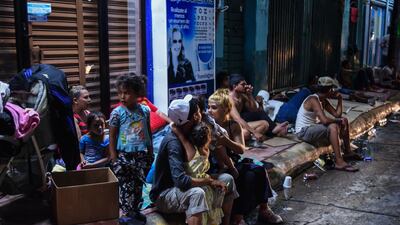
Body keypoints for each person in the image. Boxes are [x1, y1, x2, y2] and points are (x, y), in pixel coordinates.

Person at [150, 95, 239, 225]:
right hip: (165, 194)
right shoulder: (173, 143)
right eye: (198, 111)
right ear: (194, 117)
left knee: (227, 180)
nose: (201, 114)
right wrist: (209, 181)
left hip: (186, 184)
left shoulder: (192, 132)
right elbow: (181, 181)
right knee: (197, 194)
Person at [208, 89, 283, 225]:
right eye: (208, 107)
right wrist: (229, 165)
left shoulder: (233, 126)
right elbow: (219, 158)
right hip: (216, 166)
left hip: (234, 162)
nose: (209, 111)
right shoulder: (209, 128)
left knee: (258, 170)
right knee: (244, 177)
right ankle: (238, 217)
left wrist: (226, 141)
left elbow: (241, 149)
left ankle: (264, 210)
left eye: (214, 107)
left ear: (225, 109)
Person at [109, 74, 153, 221]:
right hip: (123, 156)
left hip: (141, 155)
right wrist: (114, 158)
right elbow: (112, 137)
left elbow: (148, 132)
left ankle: (135, 211)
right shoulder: (117, 113)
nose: (122, 96)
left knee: (138, 185)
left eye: (126, 93)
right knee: (125, 187)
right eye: (120, 92)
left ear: (137, 93)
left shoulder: (145, 111)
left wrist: (151, 152)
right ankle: (126, 215)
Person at [295, 76, 362, 172]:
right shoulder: (313, 99)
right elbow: (324, 121)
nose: (334, 91)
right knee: (333, 126)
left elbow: (337, 114)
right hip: (303, 132)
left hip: (312, 128)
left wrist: (340, 99)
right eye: (333, 89)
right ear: (330, 90)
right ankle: (339, 162)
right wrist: (338, 121)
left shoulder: (323, 100)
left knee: (344, 120)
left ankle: (347, 152)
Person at [182, 122, 225, 225]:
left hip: (203, 183)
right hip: (195, 184)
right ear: (209, 137)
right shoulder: (192, 151)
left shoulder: (192, 149)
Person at [228, 74, 288, 141]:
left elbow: (253, 110)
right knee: (246, 133)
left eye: (245, 84)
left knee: (265, 124)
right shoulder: (229, 99)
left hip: (240, 121)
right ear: (235, 86)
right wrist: (255, 132)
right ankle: (270, 132)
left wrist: (249, 95)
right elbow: (237, 119)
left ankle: (254, 140)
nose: (245, 86)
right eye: (243, 85)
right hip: (232, 125)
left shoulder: (242, 96)